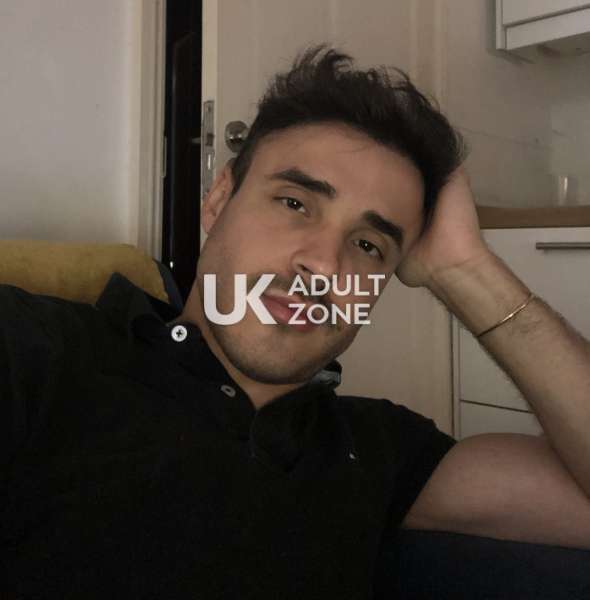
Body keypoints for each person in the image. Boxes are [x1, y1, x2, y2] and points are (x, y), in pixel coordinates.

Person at [1, 44, 589, 598]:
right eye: (295, 203)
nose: (324, 265)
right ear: (219, 199)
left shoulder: (375, 451)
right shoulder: (41, 352)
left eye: (368, 245)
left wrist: (466, 270)